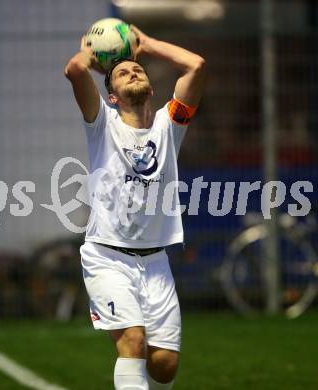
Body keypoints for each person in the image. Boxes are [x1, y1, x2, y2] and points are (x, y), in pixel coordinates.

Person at [65, 25, 205, 390]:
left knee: (164, 365)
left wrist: (147, 45)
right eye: (123, 73)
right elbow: (75, 71)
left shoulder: (169, 124)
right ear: (111, 96)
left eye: (137, 70)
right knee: (133, 342)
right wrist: (92, 54)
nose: (133, 72)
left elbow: (196, 66)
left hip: (156, 263)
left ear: (151, 89)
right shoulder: (102, 124)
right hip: (107, 258)